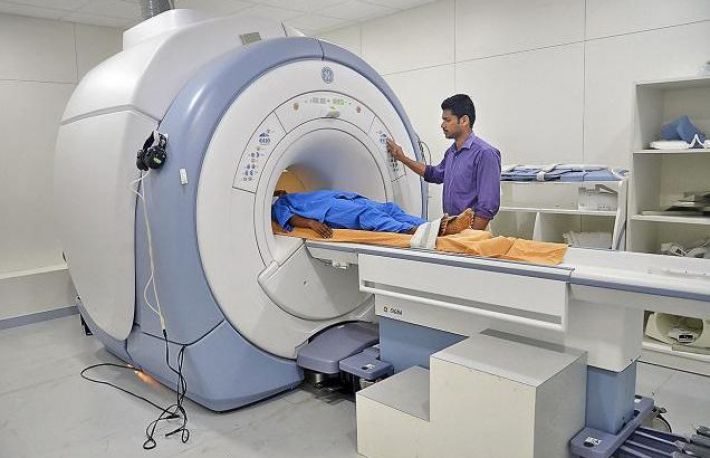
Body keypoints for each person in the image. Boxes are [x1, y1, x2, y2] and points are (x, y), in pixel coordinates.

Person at [386, 94, 501, 230]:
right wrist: (402, 158)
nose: (442, 125)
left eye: (447, 120)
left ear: (464, 121)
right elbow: (434, 174)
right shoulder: (451, 152)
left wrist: (471, 236)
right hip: (451, 226)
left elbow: (488, 206)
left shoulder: (485, 153)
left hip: (473, 229)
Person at [272, 189, 473, 239]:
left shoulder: (294, 194)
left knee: (390, 208)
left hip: (346, 198)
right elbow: (286, 218)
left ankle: (437, 226)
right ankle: (412, 231)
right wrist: (310, 223)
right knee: (365, 214)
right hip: (327, 212)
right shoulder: (278, 203)